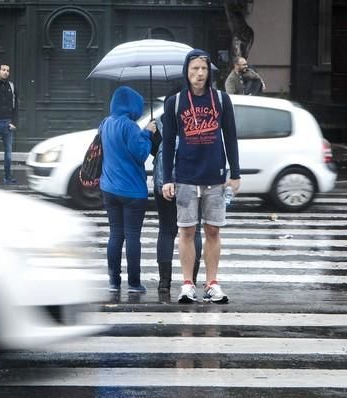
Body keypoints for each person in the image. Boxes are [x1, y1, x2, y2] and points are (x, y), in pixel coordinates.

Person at [161, 49, 241, 304]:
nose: (199, 73)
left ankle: (212, 283)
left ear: (209, 73)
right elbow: (168, 142)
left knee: (213, 230)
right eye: (194, 68)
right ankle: (187, 284)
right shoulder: (174, 102)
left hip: (215, 176)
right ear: (187, 71)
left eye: (203, 69)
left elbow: (230, 136)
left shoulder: (221, 99)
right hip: (184, 175)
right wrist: (166, 179)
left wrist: (235, 173)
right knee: (186, 231)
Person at [100, 86, 157, 294]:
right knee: (132, 236)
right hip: (132, 191)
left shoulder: (105, 123)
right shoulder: (130, 126)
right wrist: (147, 133)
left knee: (115, 235)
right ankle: (134, 284)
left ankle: (114, 282)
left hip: (108, 188)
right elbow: (141, 154)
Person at [152, 105, 203, 293]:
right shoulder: (195, 122)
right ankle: (191, 279)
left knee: (166, 231)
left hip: (164, 184)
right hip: (189, 183)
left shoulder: (158, 123)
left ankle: (164, 282)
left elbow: (151, 152)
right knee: (193, 232)